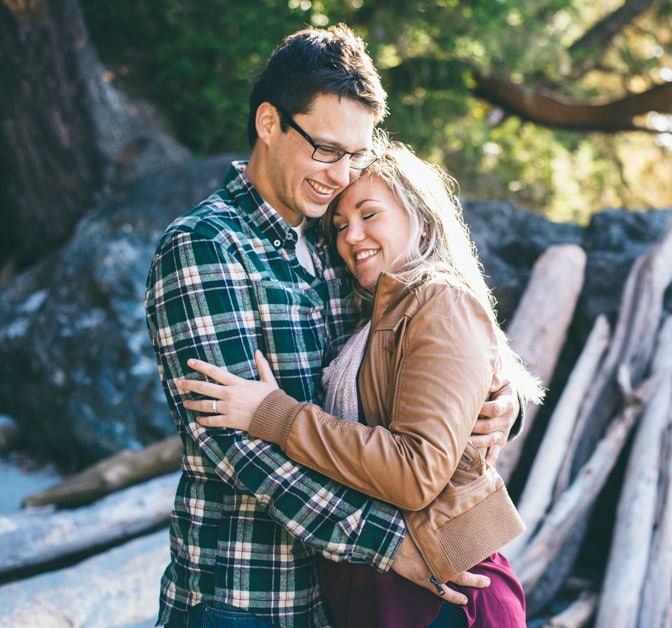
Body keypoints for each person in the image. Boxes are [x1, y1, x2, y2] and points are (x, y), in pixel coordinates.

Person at [145, 25, 520, 627]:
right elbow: (234, 443)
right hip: (243, 596)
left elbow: (411, 365)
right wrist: (386, 544)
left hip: (340, 602)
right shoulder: (206, 245)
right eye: (326, 149)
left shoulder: (336, 244)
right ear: (269, 122)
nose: (342, 174)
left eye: (356, 155)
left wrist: (496, 404)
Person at [178, 142, 544, 627]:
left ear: (421, 215)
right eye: (340, 225)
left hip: (443, 589)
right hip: (378, 586)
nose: (353, 236)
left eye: (370, 214)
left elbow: (416, 472)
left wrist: (274, 414)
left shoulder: (437, 301)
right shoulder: (369, 313)